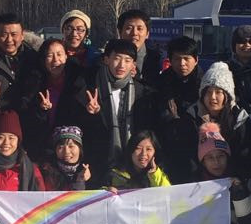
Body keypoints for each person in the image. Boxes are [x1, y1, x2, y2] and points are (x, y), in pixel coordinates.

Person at [73, 38, 156, 187]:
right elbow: (76, 127)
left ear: (133, 65)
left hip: (130, 167)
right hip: (96, 165)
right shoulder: (88, 87)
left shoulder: (142, 92)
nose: (121, 65)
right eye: (117, 58)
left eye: (127, 60)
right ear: (106, 59)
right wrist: (91, 113)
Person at [16, 37, 82, 163]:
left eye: (59, 54)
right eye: (50, 56)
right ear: (43, 60)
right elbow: (26, 119)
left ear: (66, 56)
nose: (55, 60)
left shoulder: (78, 81)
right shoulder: (34, 84)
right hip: (41, 148)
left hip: (69, 149)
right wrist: (41, 110)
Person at [153, 36, 202, 183]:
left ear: (196, 60)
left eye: (187, 58)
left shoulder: (205, 85)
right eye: (177, 59)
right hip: (167, 150)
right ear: (170, 60)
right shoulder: (160, 84)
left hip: (198, 151)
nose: (182, 63)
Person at [0, 12, 32, 109]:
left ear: (22, 35)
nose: (9, 40)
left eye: (14, 34)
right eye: (4, 34)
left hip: (29, 115)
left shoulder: (35, 60)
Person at [118, 8, 163, 86]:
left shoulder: (157, 59)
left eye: (139, 29)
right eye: (129, 28)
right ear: (120, 32)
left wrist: (137, 77)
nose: (134, 33)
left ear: (147, 34)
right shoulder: (109, 59)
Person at [41, 125, 91, 190]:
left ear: (80, 150)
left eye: (71, 146)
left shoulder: (89, 171)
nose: (66, 152)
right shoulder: (45, 171)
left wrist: (80, 179)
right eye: (61, 147)